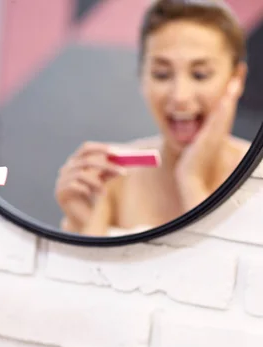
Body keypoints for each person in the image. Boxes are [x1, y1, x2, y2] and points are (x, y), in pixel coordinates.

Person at [55, 0, 250, 236]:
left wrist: (191, 179)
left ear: (236, 79)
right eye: (162, 74)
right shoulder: (116, 176)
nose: (180, 96)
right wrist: (81, 224)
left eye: (200, 75)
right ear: (142, 77)